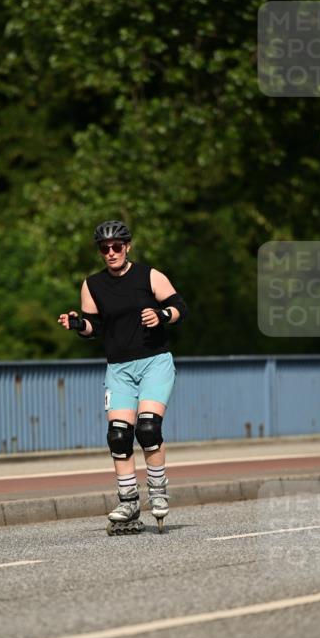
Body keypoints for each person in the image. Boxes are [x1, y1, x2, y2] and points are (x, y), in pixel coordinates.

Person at [57, 220, 187, 533]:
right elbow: (95, 327)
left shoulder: (149, 276)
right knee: (118, 434)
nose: (111, 252)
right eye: (105, 249)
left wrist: (161, 315)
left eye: (117, 246)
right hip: (119, 369)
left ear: (127, 247)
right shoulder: (92, 285)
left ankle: (157, 492)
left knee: (148, 428)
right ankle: (128, 501)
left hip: (154, 363)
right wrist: (78, 325)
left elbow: (180, 307)